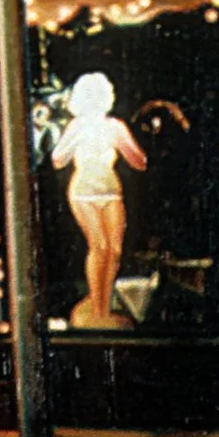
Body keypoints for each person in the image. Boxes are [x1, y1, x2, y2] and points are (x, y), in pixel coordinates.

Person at [51, 70, 147, 330]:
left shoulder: (114, 127)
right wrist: (76, 140)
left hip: (110, 190)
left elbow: (139, 162)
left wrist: (122, 143)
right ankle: (97, 309)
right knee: (99, 245)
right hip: (84, 191)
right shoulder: (77, 127)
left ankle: (102, 305)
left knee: (114, 249)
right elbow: (58, 159)